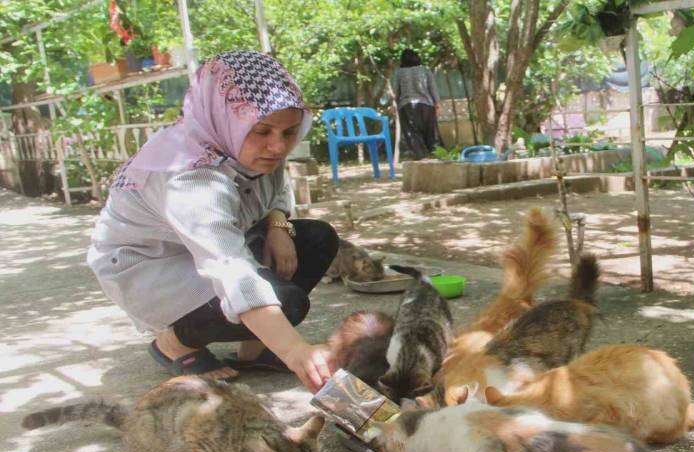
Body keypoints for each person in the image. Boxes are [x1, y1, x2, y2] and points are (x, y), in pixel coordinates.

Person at [87, 51, 337, 393]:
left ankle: (256, 348)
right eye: (262, 131)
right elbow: (228, 267)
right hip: (150, 265)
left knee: (317, 238)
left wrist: (278, 225)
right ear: (225, 118)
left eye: (290, 132)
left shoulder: (248, 147)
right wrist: (296, 352)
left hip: (217, 245)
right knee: (287, 302)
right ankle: (174, 344)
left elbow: (275, 195)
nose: (278, 147)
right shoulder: (190, 175)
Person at [392, 49, 440, 159]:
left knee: (412, 133)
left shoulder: (399, 73)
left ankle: (421, 158)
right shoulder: (425, 70)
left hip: (407, 106)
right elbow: (433, 88)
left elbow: (396, 92)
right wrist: (437, 103)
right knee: (430, 133)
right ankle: (434, 156)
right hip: (427, 105)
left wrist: (394, 105)